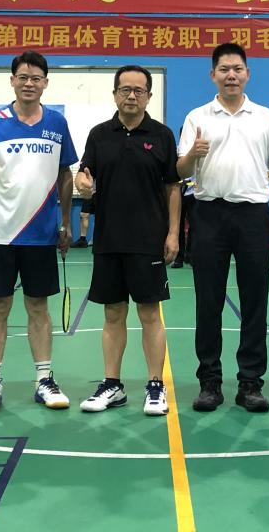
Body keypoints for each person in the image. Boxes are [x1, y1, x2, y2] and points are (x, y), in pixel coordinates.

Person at [178, 42, 269, 414]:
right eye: (224, 69)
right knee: (207, 302)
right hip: (208, 215)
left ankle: (250, 384)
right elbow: (180, 171)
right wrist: (192, 155)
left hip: (253, 217)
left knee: (255, 302)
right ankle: (209, 382)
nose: (231, 75)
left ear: (247, 74)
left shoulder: (265, 117)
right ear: (213, 75)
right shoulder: (197, 117)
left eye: (237, 69)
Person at [0, 51, 77, 414]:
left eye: (36, 78)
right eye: (23, 77)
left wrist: (65, 222)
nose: (29, 83)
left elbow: (65, 175)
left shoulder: (57, 123)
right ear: (12, 81)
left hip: (42, 234)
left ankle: (44, 379)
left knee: (38, 308)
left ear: (45, 83)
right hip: (0, 233)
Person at [75, 65, 180, 416]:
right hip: (109, 238)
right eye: (125, 89)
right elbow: (84, 174)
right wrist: (82, 184)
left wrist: (173, 233)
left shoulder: (162, 135)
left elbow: (172, 188)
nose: (131, 96)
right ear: (115, 94)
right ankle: (112, 384)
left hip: (149, 239)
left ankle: (155, 386)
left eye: (138, 90)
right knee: (113, 313)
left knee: (149, 313)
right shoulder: (99, 134)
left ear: (149, 95)